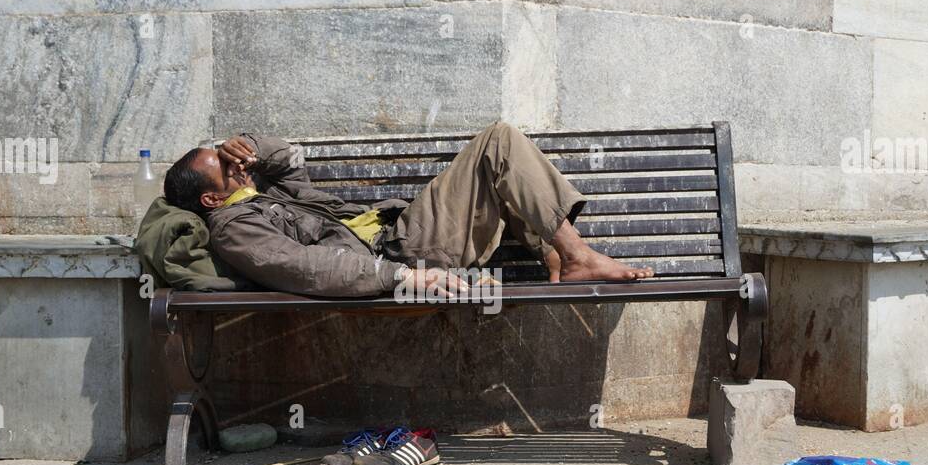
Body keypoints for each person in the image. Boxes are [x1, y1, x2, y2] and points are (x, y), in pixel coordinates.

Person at [162, 121, 650, 298]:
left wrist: (246, 144)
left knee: (497, 156)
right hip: (403, 250)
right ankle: (574, 256)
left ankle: (560, 257)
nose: (238, 168)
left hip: (402, 228)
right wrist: (400, 277)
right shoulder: (237, 227)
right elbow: (304, 268)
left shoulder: (266, 190)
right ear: (211, 199)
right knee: (498, 144)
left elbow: (289, 158)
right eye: (226, 169)